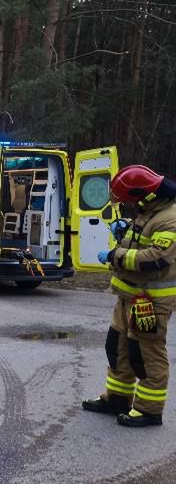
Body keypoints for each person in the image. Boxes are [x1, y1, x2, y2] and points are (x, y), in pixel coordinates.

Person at [83, 165, 176, 427]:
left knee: (145, 354)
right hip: (128, 297)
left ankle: (149, 410)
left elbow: (155, 259)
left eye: (130, 201)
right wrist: (124, 233)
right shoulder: (149, 212)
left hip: (150, 302)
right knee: (117, 347)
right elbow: (139, 244)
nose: (129, 206)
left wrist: (116, 255)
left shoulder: (169, 218)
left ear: (145, 195)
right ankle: (117, 399)